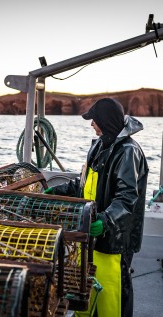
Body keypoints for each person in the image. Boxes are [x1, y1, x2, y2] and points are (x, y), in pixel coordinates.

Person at [44, 98, 149, 317]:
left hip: (114, 239)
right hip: (92, 234)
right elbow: (82, 184)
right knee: (89, 290)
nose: (92, 124)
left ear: (107, 121)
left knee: (113, 295)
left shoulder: (128, 151)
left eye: (95, 120)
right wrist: (58, 191)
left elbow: (127, 197)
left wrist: (106, 221)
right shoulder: (100, 145)